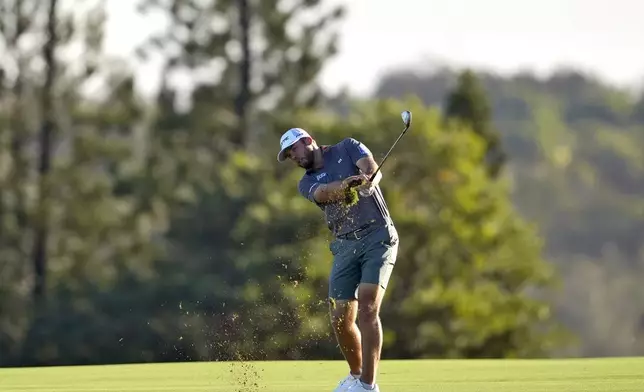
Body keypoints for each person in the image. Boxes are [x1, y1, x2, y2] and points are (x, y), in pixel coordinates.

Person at [277, 127, 399, 391]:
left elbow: (370, 166)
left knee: (367, 308)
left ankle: (368, 385)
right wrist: (347, 185)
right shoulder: (305, 182)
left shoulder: (348, 146)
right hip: (345, 245)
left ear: (308, 141)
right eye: (288, 155)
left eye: (293, 150)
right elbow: (324, 193)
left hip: (378, 237)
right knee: (340, 319)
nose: (293, 158)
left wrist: (369, 179)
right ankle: (356, 376)